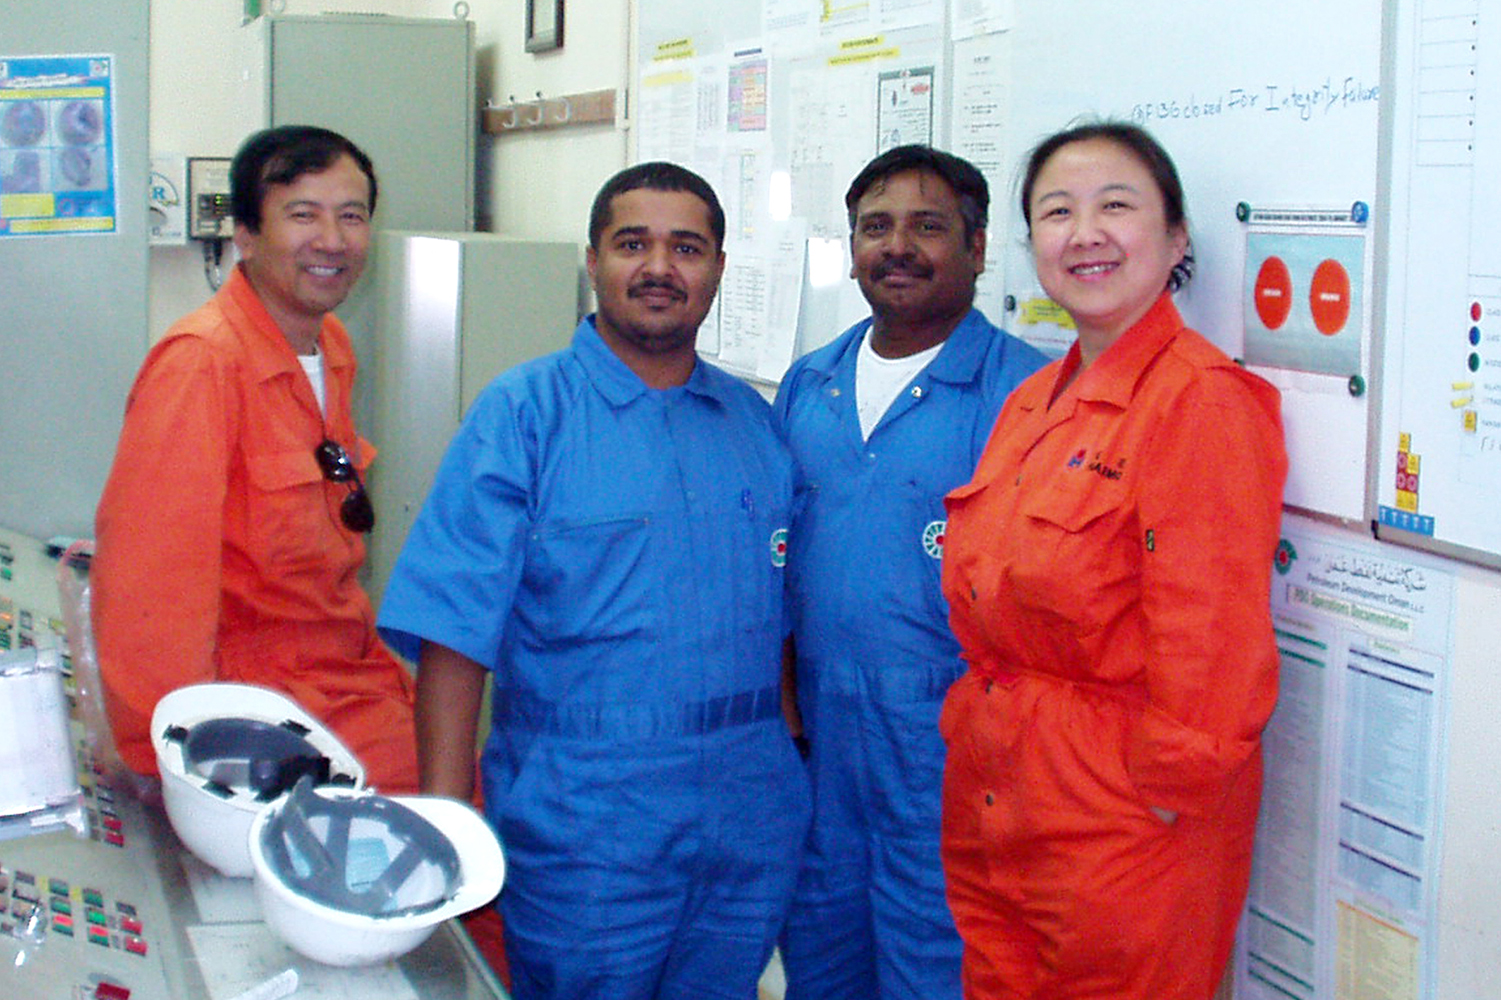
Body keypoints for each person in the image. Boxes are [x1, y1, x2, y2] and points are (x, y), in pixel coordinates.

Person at [376, 162, 811, 1000]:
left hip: (749, 819)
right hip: (586, 824)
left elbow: (784, 622)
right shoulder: (524, 415)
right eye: (632, 244)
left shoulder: (753, 426)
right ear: (592, 261)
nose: (659, 268)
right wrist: (445, 822)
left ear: (718, 268)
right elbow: (454, 633)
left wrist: (788, 765)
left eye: (686, 248)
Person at [937, 121, 1288, 1000]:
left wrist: (1156, 801)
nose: (1084, 233)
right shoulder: (1032, 402)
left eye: (1116, 206)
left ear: (1175, 238)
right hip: (999, 794)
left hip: (1120, 818)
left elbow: (1214, 635)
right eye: (1057, 212)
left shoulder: (1200, 402)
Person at [773, 145, 1045, 1000]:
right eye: (874, 227)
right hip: (820, 746)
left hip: (954, 752)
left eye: (927, 227)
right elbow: (775, 566)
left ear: (976, 246)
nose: (896, 247)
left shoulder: (1028, 396)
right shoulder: (807, 384)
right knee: (822, 961)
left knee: (938, 965)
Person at [92, 125, 419, 795]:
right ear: (245, 233)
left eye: (351, 216)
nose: (332, 240)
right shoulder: (202, 366)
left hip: (348, 680)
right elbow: (148, 596)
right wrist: (173, 767)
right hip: (259, 711)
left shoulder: (329, 347)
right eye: (303, 215)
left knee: (485, 790)